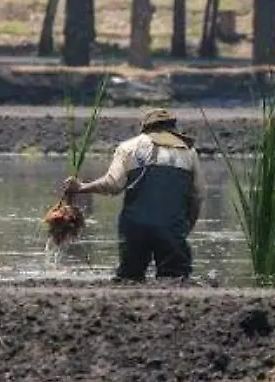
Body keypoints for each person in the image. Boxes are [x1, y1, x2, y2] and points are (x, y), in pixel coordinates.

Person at [63, 108, 206, 282]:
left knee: (130, 277)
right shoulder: (188, 152)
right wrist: (185, 227)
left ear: (144, 127)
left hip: (134, 227)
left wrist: (81, 187)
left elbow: (112, 185)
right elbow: (197, 196)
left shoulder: (129, 147)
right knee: (175, 277)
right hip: (172, 227)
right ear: (173, 128)